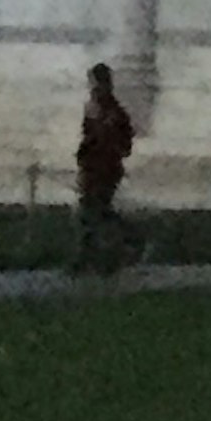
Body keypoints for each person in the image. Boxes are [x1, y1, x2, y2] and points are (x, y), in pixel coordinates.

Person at [75, 59, 137, 271]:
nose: (93, 87)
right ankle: (93, 255)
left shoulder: (114, 113)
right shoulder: (94, 109)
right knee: (94, 212)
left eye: (96, 83)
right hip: (92, 169)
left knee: (94, 212)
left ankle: (94, 255)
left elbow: (123, 143)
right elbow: (87, 137)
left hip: (106, 169)